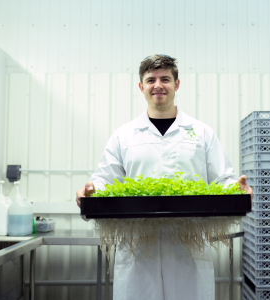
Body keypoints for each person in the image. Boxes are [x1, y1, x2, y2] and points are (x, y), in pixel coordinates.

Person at [76, 54, 253, 300]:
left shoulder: (201, 133)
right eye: (151, 80)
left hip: (188, 246)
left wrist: (237, 188)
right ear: (141, 87)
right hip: (137, 246)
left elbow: (223, 179)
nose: (158, 85)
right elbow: (105, 179)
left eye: (165, 79)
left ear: (176, 85)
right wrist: (90, 190)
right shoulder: (124, 135)